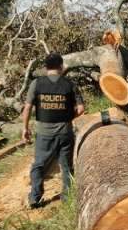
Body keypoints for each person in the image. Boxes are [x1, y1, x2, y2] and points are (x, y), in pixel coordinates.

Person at [22, 53, 84, 208]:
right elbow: (82, 108)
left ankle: (35, 197)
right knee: (66, 166)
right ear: (61, 67)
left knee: (39, 165)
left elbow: (28, 107)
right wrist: (69, 117)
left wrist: (25, 128)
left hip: (44, 134)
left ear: (45, 67)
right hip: (65, 132)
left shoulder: (36, 84)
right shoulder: (69, 84)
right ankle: (67, 198)